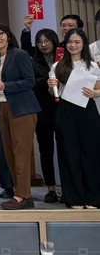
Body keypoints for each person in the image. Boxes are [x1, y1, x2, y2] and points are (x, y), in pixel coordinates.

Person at [0, 23, 40, 210]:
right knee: (9, 153)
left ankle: (22, 195)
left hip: (22, 108)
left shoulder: (19, 54)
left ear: (8, 36)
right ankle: (22, 193)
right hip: (2, 108)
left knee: (21, 153)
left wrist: (6, 86)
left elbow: (29, 81)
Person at [49, 29, 100, 209]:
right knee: (68, 153)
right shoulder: (57, 66)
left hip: (87, 109)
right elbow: (54, 93)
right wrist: (51, 86)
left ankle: (92, 198)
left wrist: (95, 93)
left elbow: (99, 89)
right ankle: (74, 198)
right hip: (65, 110)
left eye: (77, 42)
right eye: (70, 42)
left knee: (91, 153)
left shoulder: (92, 65)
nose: (73, 45)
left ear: (83, 44)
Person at [24, 28, 61, 203]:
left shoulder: (63, 58)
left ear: (54, 41)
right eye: (40, 42)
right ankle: (51, 188)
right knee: (45, 150)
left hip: (62, 109)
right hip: (42, 110)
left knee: (65, 149)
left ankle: (67, 186)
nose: (43, 45)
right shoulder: (33, 60)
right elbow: (30, 82)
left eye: (47, 41)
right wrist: (45, 81)